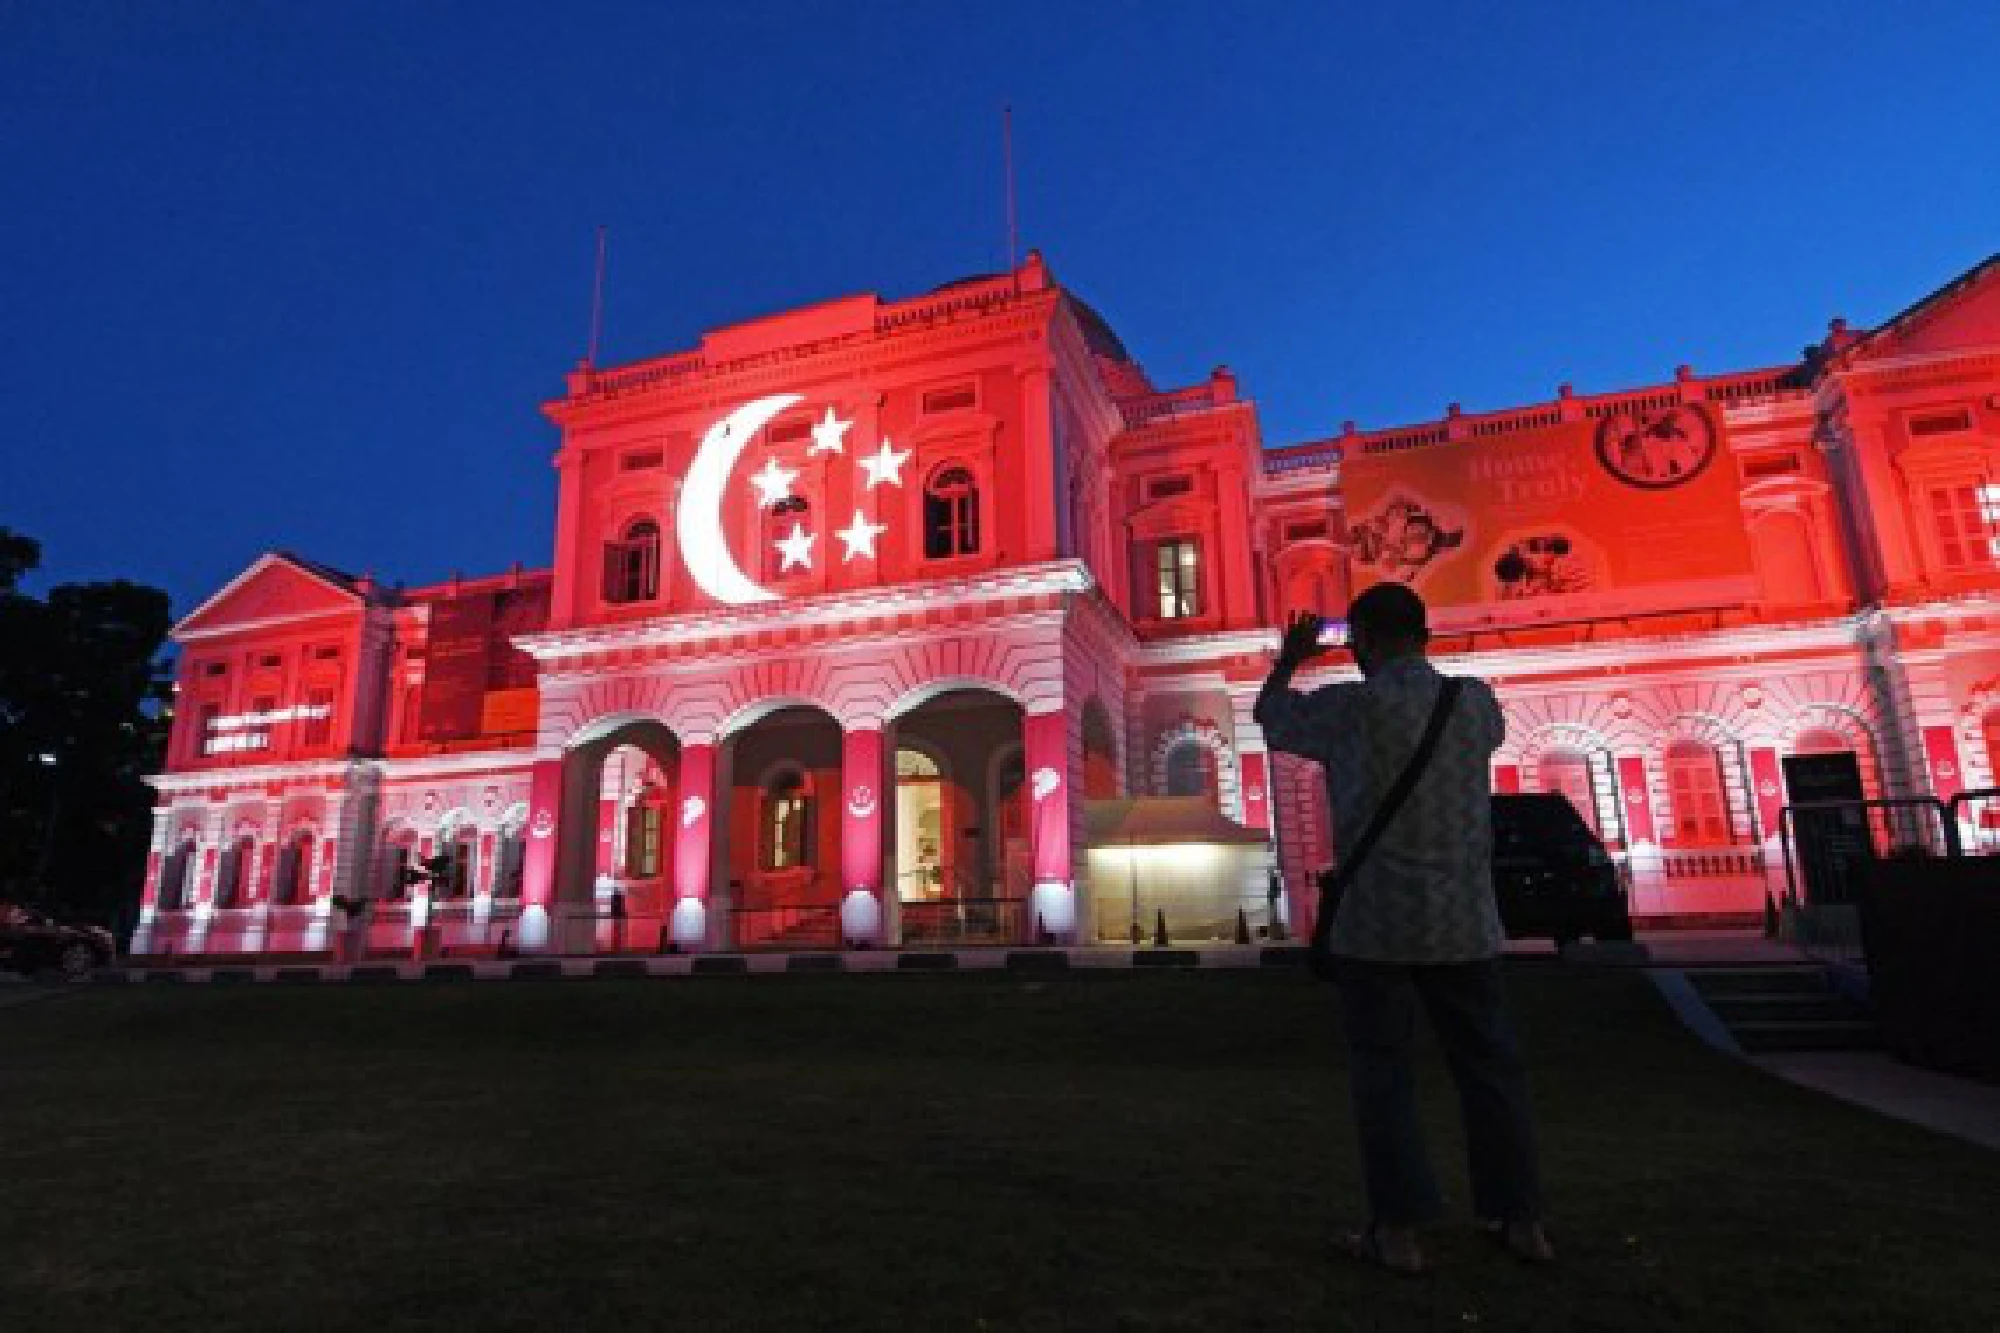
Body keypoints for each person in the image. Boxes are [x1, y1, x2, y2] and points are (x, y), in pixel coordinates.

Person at [1254, 583, 1554, 1276]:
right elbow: (1496, 738)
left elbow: (1273, 717)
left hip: (1376, 925)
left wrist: (1290, 659)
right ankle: (1522, 1219)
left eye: (1355, 639)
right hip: (1464, 923)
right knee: (1491, 1070)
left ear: (1364, 637)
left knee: (1384, 1074)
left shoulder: (1352, 709)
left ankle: (1397, 1231)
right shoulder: (1474, 704)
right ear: (1423, 634)